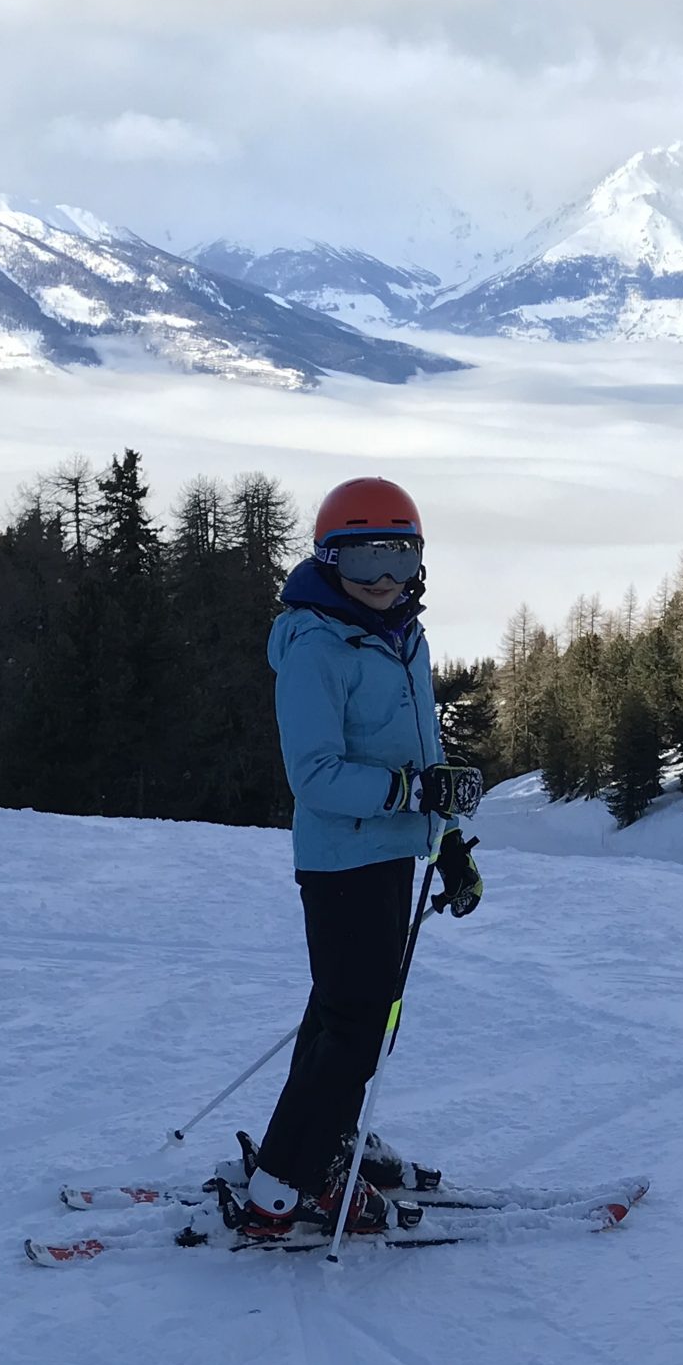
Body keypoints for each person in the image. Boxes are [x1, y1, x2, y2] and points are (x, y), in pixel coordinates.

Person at [241, 476, 485, 1239]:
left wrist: (447, 849)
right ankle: (289, 1184)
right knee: (355, 1027)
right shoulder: (317, 644)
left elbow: (429, 756)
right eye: (362, 559)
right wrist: (413, 796)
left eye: (399, 558)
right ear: (327, 560)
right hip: (342, 864)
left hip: (391, 857)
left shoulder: (403, 636)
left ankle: (320, 1142)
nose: (383, 579)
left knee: (351, 1020)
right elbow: (314, 777)